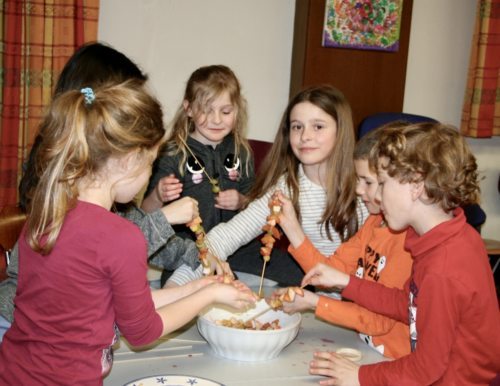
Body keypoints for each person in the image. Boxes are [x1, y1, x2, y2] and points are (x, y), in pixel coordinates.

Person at [0, 81, 256, 385]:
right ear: (130, 160)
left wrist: (197, 288)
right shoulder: (121, 236)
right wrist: (210, 295)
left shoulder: (45, 214)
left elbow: (115, 305)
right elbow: (141, 331)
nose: (150, 173)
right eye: (151, 164)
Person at [0, 42, 202, 341]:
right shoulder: (56, 194)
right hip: (18, 327)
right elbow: (113, 252)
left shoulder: (78, 191)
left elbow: (125, 241)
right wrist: (164, 221)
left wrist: (197, 259)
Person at [303, 122, 500, 385]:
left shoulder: (442, 267)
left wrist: (359, 376)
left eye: (383, 184)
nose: (378, 196)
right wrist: (345, 282)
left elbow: (427, 369)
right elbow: (406, 304)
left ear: (416, 184)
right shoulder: (443, 237)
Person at [168, 85, 369, 287]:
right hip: (315, 295)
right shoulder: (287, 188)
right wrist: (174, 287)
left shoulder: (366, 189)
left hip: (354, 300)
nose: (305, 136)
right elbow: (227, 236)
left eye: (318, 126)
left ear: (340, 131)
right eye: (297, 127)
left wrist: (293, 230)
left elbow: (360, 275)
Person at [271, 125, 413, 359]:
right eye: (357, 180)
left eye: (367, 182)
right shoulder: (374, 222)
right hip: (365, 346)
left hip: (392, 359)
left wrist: (314, 303)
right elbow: (330, 273)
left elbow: (378, 321)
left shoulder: (405, 242)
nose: (358, 190)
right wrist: (291, 228)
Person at [141, 64, 255, 285]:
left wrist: (242, 201)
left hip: (237, 250)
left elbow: (258, 204)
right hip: (188, 252)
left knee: (287, 276)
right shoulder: (172, 153)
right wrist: (158, 194)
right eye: (206, 110)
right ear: (189, 109)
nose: (216, 120)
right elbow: (146, 214)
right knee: (182, 294)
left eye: (225, 111)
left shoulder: (242, 150)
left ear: (237, 110)